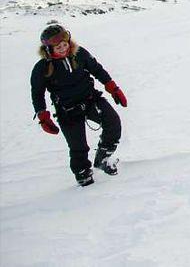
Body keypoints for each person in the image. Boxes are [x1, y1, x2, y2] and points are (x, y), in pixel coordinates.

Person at [30, 24, 128, 186]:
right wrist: (43, 115)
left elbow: (97, 69)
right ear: (48, 49)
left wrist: (112, 87)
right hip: (67, 110)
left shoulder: (79, 54)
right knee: (78, 147)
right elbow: (37, 93)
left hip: (91, 100)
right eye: (57, 47)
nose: (63, 48)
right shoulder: (42, 68)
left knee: (113, 123)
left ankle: (103, 157)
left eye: (65, 44)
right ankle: (83, 175)